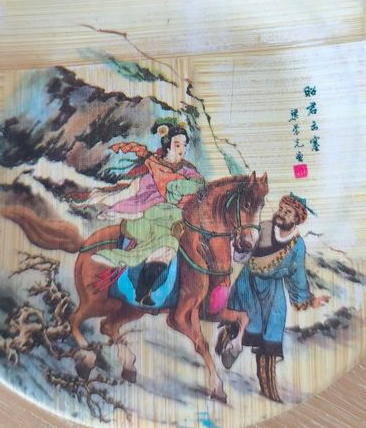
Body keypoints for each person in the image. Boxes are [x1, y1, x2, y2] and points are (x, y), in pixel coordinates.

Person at [74, 118, 205, 305]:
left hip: (179, 217)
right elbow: (136, 192)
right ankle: (142, 291)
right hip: (152, 217)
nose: (181, 149)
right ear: (167, 145)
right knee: (167, 246)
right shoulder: (152, 167)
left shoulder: (188, 171)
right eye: (177, 145)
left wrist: (180, 187)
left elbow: (200, 186)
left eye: (184, 145)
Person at [223, 193, 329, 363]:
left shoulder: (297, 246)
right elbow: (242, 256)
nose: (282, 213)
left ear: (297, 219)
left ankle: (266, 361)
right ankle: (232, 346)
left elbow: (297, 276)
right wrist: (241, 247)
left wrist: (309, 301)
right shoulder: (263, 228)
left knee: (275, 317)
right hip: (248, 282)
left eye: (288, 212)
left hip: (272, 289)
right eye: (281, 209)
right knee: (245, 316)